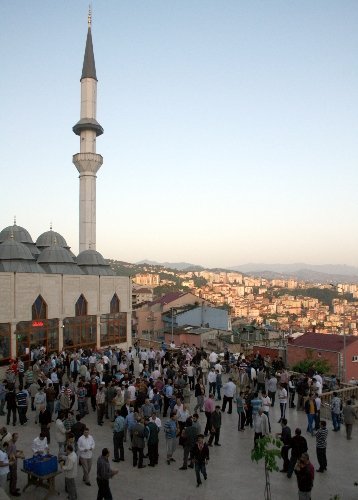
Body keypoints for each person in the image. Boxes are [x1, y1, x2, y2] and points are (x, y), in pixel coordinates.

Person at [7, 432, 24, 497]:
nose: (17, 439)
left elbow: (13, 451)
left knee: (13, 477)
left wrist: (18, 450)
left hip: (14, 462)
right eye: (15, 437)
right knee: (14, 477)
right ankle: (12, 491)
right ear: (12, 437)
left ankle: (13, 488)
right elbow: (9, 454)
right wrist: (19, 456)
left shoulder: (13, 443)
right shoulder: (10, 444)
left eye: (17, 437)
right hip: (12, 463)